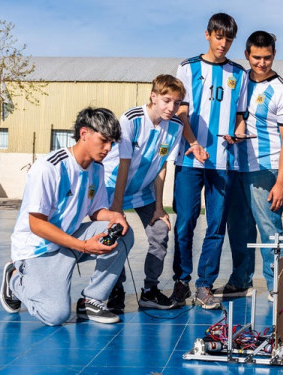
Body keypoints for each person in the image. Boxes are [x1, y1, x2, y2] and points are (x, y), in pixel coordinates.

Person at [0, 107, 133, 326]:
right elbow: (36, 225)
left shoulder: (97, 169)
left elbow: (96, 211)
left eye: (112, 143)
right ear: (84, 134)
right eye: (104, 140)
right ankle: (14, 276)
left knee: (123, 234)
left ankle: (92, 300)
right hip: (37, 250)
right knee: (56, 316)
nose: (109, 148)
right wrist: (83, 246)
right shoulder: (49, 167)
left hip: (68, 241)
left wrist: (113, 216)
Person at [172, 12, 248, 309]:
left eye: (228, 38)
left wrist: (240, 129)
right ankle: (181, 282)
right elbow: (181, 113)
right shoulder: (187, 68)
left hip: (222, 162)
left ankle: (205, 285)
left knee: (216, 225)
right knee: (186, 222)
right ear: (207, 35)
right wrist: (193, 142)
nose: (223, 43)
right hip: (189, 160)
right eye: (219, 36)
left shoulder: (238, 74)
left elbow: (240, 115)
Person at [217, 31, 283, 302]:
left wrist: (281, 183)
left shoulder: (282, 91)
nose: (261, 63)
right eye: (256, 58)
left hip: (266, 169)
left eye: (266, 58)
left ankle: (279, 286)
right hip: (235, 167)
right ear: (247, 55)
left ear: (274, 55)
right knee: (238, 228)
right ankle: (241, 280)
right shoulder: (238, 82)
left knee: (269, 228)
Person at [103, 75, 186, 313]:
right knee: (114, 236)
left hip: (143, 191)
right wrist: (116, 207)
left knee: (160, 230)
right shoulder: (131, 119)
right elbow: (124, 163)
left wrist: (160, 207)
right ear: (153, 96)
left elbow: (162, 166)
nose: (171, 107)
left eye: (177, 102)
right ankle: (115, 290)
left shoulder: (176, 127)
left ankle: (150, 291)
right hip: (113, 186)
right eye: (166, 100)